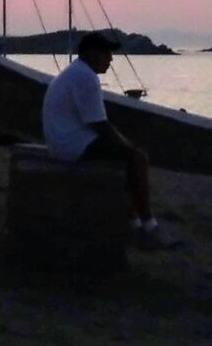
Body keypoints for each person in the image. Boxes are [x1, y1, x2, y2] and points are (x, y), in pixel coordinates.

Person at [41, 30, 165, 244]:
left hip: (62, 141)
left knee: (125, 156)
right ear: (90, 53)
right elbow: (99, 124)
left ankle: (132, 222)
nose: (110, 59)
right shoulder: (85, 77)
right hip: (71, 146)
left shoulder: (76, 72)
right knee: (138, 159)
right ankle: (149, 225)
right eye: (106, 53)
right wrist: (127, 146)